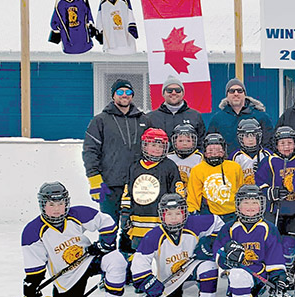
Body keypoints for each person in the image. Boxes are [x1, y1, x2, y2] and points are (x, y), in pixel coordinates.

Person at [21, 182, 127, 297]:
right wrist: (32, 284)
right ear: (42, 205)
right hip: (67, 275)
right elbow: (36, 262)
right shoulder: (33, 231)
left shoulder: (77, 214)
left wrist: (105, 244)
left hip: (89, 259)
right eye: (51, 205)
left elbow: (106, 222)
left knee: (116, 259)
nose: (57, 209)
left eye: (60, 203)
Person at [129, 194, 225, 297]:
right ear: (162, 215)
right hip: (170, 280)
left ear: (185, 213)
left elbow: (218, 223)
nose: (173, 218)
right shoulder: (154, 235)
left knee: (209, 266)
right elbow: (140, 262)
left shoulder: (194, 224)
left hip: (192, 269)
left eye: (178, 213)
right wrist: (147, 281)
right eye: (169, 214)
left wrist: (210, 241)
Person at [214, 185, 290, 297]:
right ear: (237, 205)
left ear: (261, 205)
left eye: (254, 203)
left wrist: (279, 279)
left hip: (260, 278)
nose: (250, 207)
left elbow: (274, 257)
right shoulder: (229, 228)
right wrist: (226, 256)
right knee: (237, 277)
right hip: (239, 278)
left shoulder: (268, 228)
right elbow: (217, 253)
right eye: (245, 203)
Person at [83, 78, 149, 225]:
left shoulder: (144, 120)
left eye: (128, 92)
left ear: (132, 95)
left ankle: (129, 249)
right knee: (109, 225)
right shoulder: (100, 120)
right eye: (120, 92)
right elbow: (90, 151)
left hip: (138, 184)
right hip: (110, 184)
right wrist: (94, 180)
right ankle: (108, 247)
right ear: (113, 95)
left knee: (134, 227)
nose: (124, 95)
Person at [119, 128, 183, 253]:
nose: (157, 149)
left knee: (162, 253)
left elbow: (177, 191)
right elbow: (128, 192)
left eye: (161, 146)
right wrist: (125, 213)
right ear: (145, 145)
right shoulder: (135, 166)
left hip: (160, 220)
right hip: (138, 220)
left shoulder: (169, 166)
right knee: (138, 254)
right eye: (153, 145)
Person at [255, 126, 295, 276]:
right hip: (274, 210)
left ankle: (290, 272)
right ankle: (274, 271)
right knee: (273, 242)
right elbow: (260, 182)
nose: (286, 147)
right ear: (276, 145)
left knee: (291, 243)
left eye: (289, 143)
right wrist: (270, 192)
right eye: (282, 143)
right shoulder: (269, 161)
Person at [186, 133, 245, 222]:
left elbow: (241, 190)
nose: (214, 153)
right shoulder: (197, 170)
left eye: (218, 150)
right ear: (205, 152)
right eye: (210, 150)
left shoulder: (235, 167)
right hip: (210, 213)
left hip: (233, 213)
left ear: (224, 151)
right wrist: (192, 212)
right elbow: (193, 196)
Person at [207, 78, 273, 153]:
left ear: (244, 94)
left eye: (239, 90)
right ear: (227, 95)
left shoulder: (261, 116)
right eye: (232, 91)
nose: (236, 93)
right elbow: (210, 144)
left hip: (254, 162)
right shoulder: (217, 119)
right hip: (227, 162)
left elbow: (269, 143)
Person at [145, 76, 206, 141]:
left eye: (177, 90)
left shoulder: (195, 116)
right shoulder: (150, 117)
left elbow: (201, 142)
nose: (173, 93)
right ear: (163, 93)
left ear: (183, 93)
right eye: (169, 90)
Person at [230, 119, 271, 185]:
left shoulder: (267, 154)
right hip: (243, 193)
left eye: (254, 135)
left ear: (259, 136)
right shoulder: (235, 156)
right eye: (246, 136)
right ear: (241, 138)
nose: (250, 139)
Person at [166, 123, 203, 187]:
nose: (184, 143)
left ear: (194, 141)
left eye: (188, 141)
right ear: (174, 142)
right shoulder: (169, 157)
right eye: (180, 141)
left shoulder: (199, 158)